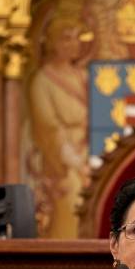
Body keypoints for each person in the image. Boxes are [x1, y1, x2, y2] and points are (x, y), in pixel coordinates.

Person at [28, 17, 89, 238]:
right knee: (74, 199)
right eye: (66, 38)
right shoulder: (42, 81)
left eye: (77, 38)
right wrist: (75, 161)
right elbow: (48, 127)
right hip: (62, 160)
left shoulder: (85, 77)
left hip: (89, 150)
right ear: (53, 43)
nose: (74, 44)